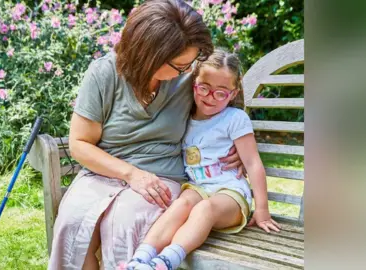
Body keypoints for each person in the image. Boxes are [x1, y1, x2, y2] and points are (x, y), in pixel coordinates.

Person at [48, 1, 246, 269]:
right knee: (73, 223)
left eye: (190, 63)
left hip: (162, 176)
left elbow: (228, 96)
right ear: (148, 55)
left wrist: (237, 148)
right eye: (178, 65)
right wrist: (131, 174)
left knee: (127, 223)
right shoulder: (104, 74)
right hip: (102, 173)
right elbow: (80, 144)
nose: (186, 72)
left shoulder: (189, 77)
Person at [124, 49, 281, 270]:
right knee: (181, 204)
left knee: (204, 209)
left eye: (220, 93)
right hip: (197, 187)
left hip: (230, 193)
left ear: (233, 94)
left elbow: (253, 163)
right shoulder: (184, 117)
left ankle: (165, 262)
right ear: (193, 84)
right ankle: (139, 260)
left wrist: (262, 209)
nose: (209, 97)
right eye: (204, 88)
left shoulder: (235, 118)